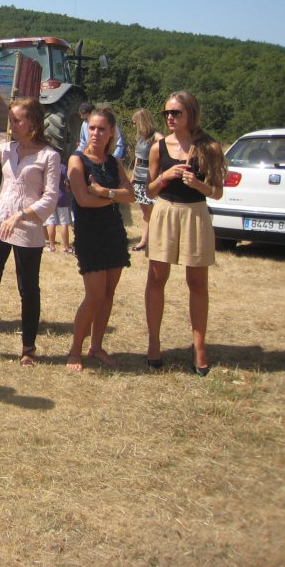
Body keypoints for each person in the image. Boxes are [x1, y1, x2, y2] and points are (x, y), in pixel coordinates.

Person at [0, 96, 60, 367]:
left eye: (17, 120)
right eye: (11, 120)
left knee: (28, 289)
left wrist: (20, 215)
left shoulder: (50, 155)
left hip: (27, 229)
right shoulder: (8, 149)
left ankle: (28, 348)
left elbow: (50, 197)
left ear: (33, 122)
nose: (12, 125)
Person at [144, 91, 225, 376]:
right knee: (156, 279)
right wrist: (164, 177)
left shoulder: (209, 147)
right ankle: (154, 343)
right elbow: (148, 191)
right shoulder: (158, 147)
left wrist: (197, 184)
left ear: (190, 113)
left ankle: (199, 348)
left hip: (195, 214)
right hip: (165, 212)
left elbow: (217, 192)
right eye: (166, 113)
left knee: (197, 283)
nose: (169, 117)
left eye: (176, 113)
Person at [65, 107, 134, 371]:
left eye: (101, 128)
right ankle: (74, 350)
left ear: (111, 132)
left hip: (113, 232)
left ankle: (96, 346)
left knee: (108, 293)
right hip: (90, 233)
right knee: (94, 295)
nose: (95, 133)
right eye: (92, 128)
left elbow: (131, 196)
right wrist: (114, 198)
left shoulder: (113, 163)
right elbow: (83, 199)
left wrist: (104, 192)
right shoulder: (77, 160)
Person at [130, 108, 163, 251]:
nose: (134, 126)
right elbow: (137, 158)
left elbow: (166, 150)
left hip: (150, 178)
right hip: (138, 177)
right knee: (145, 211)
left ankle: (152, 240)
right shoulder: (140, 138)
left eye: (135, 123)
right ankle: (144, 240)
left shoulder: (156, 136)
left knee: (153, 211)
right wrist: (132, 176)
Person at [43, 162, 72, 254]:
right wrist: (68, 188)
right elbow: (67, 182)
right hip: (62, 196)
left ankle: (51, 246)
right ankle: (65, 247)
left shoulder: (47, 167)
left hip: (50, 196)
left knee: (51, 222)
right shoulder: (62, 167)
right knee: (64, 222)